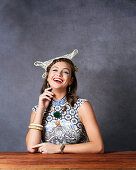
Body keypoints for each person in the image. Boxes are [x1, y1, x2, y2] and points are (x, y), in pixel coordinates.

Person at [26, 49, 104, 154]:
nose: (59, 74)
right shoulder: (37, 110)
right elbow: (32, 148)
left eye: (65, 72)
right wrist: (41, 109)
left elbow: (98, 147)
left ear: (70, 80)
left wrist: (59, 148)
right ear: (47, 77)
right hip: (49, 166)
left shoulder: (81, 106)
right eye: (55, 70)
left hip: (80, 164)